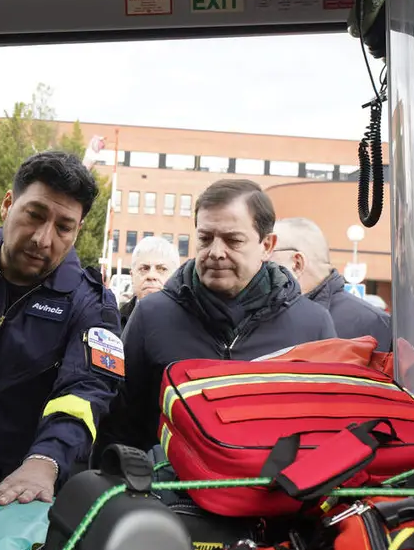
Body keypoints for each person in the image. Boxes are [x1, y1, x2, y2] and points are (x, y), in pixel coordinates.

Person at [94, 179, 336, 458]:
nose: (216, 252)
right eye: (205, 238)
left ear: (267, 245)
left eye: (233, 240)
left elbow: (326, 436)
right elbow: (118, 427)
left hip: (277, 497)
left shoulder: (313, 326)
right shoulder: (151, 316)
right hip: (164, 497)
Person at [0, 151, 123, 505]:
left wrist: (45, 461)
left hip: (10, 500)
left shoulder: (91, 305)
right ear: (8, 205)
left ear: (77, 231)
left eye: (63, 227)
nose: (42, 238)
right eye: (34, 215)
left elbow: (87, 392)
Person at [271, 217, 392, 351]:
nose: (260, 265)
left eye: (269, 255)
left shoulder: (375, 325)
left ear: (297, 263)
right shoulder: (262, 318)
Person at [119, 236, 181, 328]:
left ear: (176, 276)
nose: (151, 276)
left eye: (162, 269)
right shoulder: (114, 323)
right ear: (132, 276)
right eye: (144, 268)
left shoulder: (191, 324)